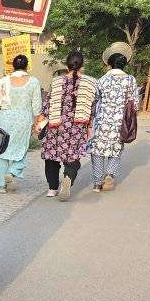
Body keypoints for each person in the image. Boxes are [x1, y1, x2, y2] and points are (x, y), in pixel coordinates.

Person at [40, 51, 97, 201]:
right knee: (72, 157)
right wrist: (89, 125)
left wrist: (40, 121)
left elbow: (47, 105)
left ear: (67, 65)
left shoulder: (57, 81)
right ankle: (68, 178)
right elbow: (93, 107)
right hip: (77, 127)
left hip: (55, 126)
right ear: (82, 65)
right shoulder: (91, 83)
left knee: (51, 157)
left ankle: (52, 188)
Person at [88, 44, 140, 192]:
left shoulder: (102, 80)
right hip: (120, 123)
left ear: (109, 64)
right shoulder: (130, 80)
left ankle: (97, 183)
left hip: (102, 121)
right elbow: (135, 104)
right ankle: (110, 175)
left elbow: (94, 101)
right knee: (115, 150)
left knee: (97, 152)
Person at [0, 53, 42, 193]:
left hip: (4, 118)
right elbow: (36, 106)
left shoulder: (4, 81)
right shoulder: (34, 82)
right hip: (23, 120)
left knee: (2, 150)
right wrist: (37, 124)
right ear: (27, 66)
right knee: (21, 149)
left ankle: (1, 186)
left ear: (13, 66)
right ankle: (12, 173)